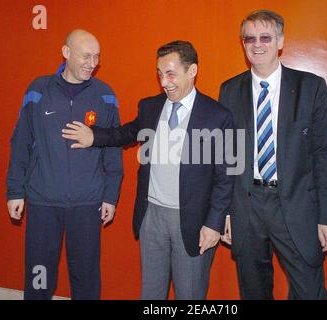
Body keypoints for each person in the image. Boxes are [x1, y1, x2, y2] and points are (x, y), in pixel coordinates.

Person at [62, 40, 234, 299]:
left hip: (193, 220)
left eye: (171, 74)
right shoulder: (151, 106)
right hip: (151, 216)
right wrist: (93, 136)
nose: (164, 82)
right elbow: (126, 133)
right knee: (151, 294)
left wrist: (214, 223)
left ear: (192, 71)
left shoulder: (217, 116)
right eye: (160, 74)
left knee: (190, 294)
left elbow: (226, 176)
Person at [219, 10, 327, 299]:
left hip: (297, 206)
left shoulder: (311, 87)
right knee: (253, 292)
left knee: (310, 292)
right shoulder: (229, 90)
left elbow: (325, 156)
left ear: (281, 41)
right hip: (246, 206)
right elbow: (224, 156)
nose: (257, 44)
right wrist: (223, 212)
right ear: (243, 43)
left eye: (265, 37)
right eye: (249, 38)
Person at [6, 29, 123, 300]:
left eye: (96, 57)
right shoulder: (37, 90)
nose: (92, 63)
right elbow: (21, 141)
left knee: (85, 276)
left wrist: (110, 196)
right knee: (39, 275)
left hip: (87, 203)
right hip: (43, 202)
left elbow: (113, 147)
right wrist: (14, 190)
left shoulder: (105, 95)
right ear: (66, 52)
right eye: (86, 56)